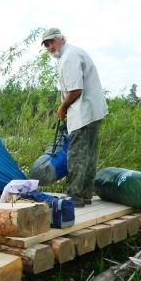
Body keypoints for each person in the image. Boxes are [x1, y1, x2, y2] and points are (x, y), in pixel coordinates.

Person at [41, 27, 108, 207]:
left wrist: (62, 108)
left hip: (83, 112)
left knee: (76, 154)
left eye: (51, 42)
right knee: (89, 154)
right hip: (93, 111)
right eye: (46, 44)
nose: (49, 47)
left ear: (61, 39)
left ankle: (74, 198)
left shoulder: (69, 57)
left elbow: (76, 90)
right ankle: (86, 194)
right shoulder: (73, 53)